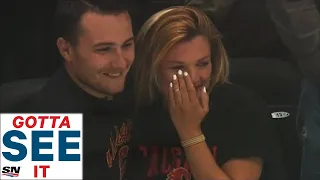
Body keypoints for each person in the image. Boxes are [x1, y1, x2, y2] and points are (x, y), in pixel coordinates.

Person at [127, 6, 274, 180]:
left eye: (202, 64)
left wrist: (189, 131)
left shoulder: (242, 108)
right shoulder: (130, 107)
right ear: (152, 69)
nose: (194, 78)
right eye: (178, 68)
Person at [26, 0, 135, 179]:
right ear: (66, 50)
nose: (121, 63)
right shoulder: (43, 127)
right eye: (104, 49)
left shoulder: (137, 87)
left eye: (127, 45)